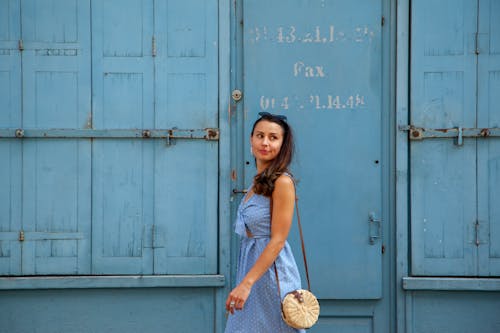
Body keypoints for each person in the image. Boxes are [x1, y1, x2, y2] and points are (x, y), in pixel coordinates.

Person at [225, 112, 305, 333]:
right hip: (252, 269)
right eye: (260, 135)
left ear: (282, 144)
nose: (265, 142)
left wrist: (246, 284)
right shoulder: (257, 182)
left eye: (273, 137)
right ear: (251, 139)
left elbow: (278, 240)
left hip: (271, 274)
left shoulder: (283, 182)